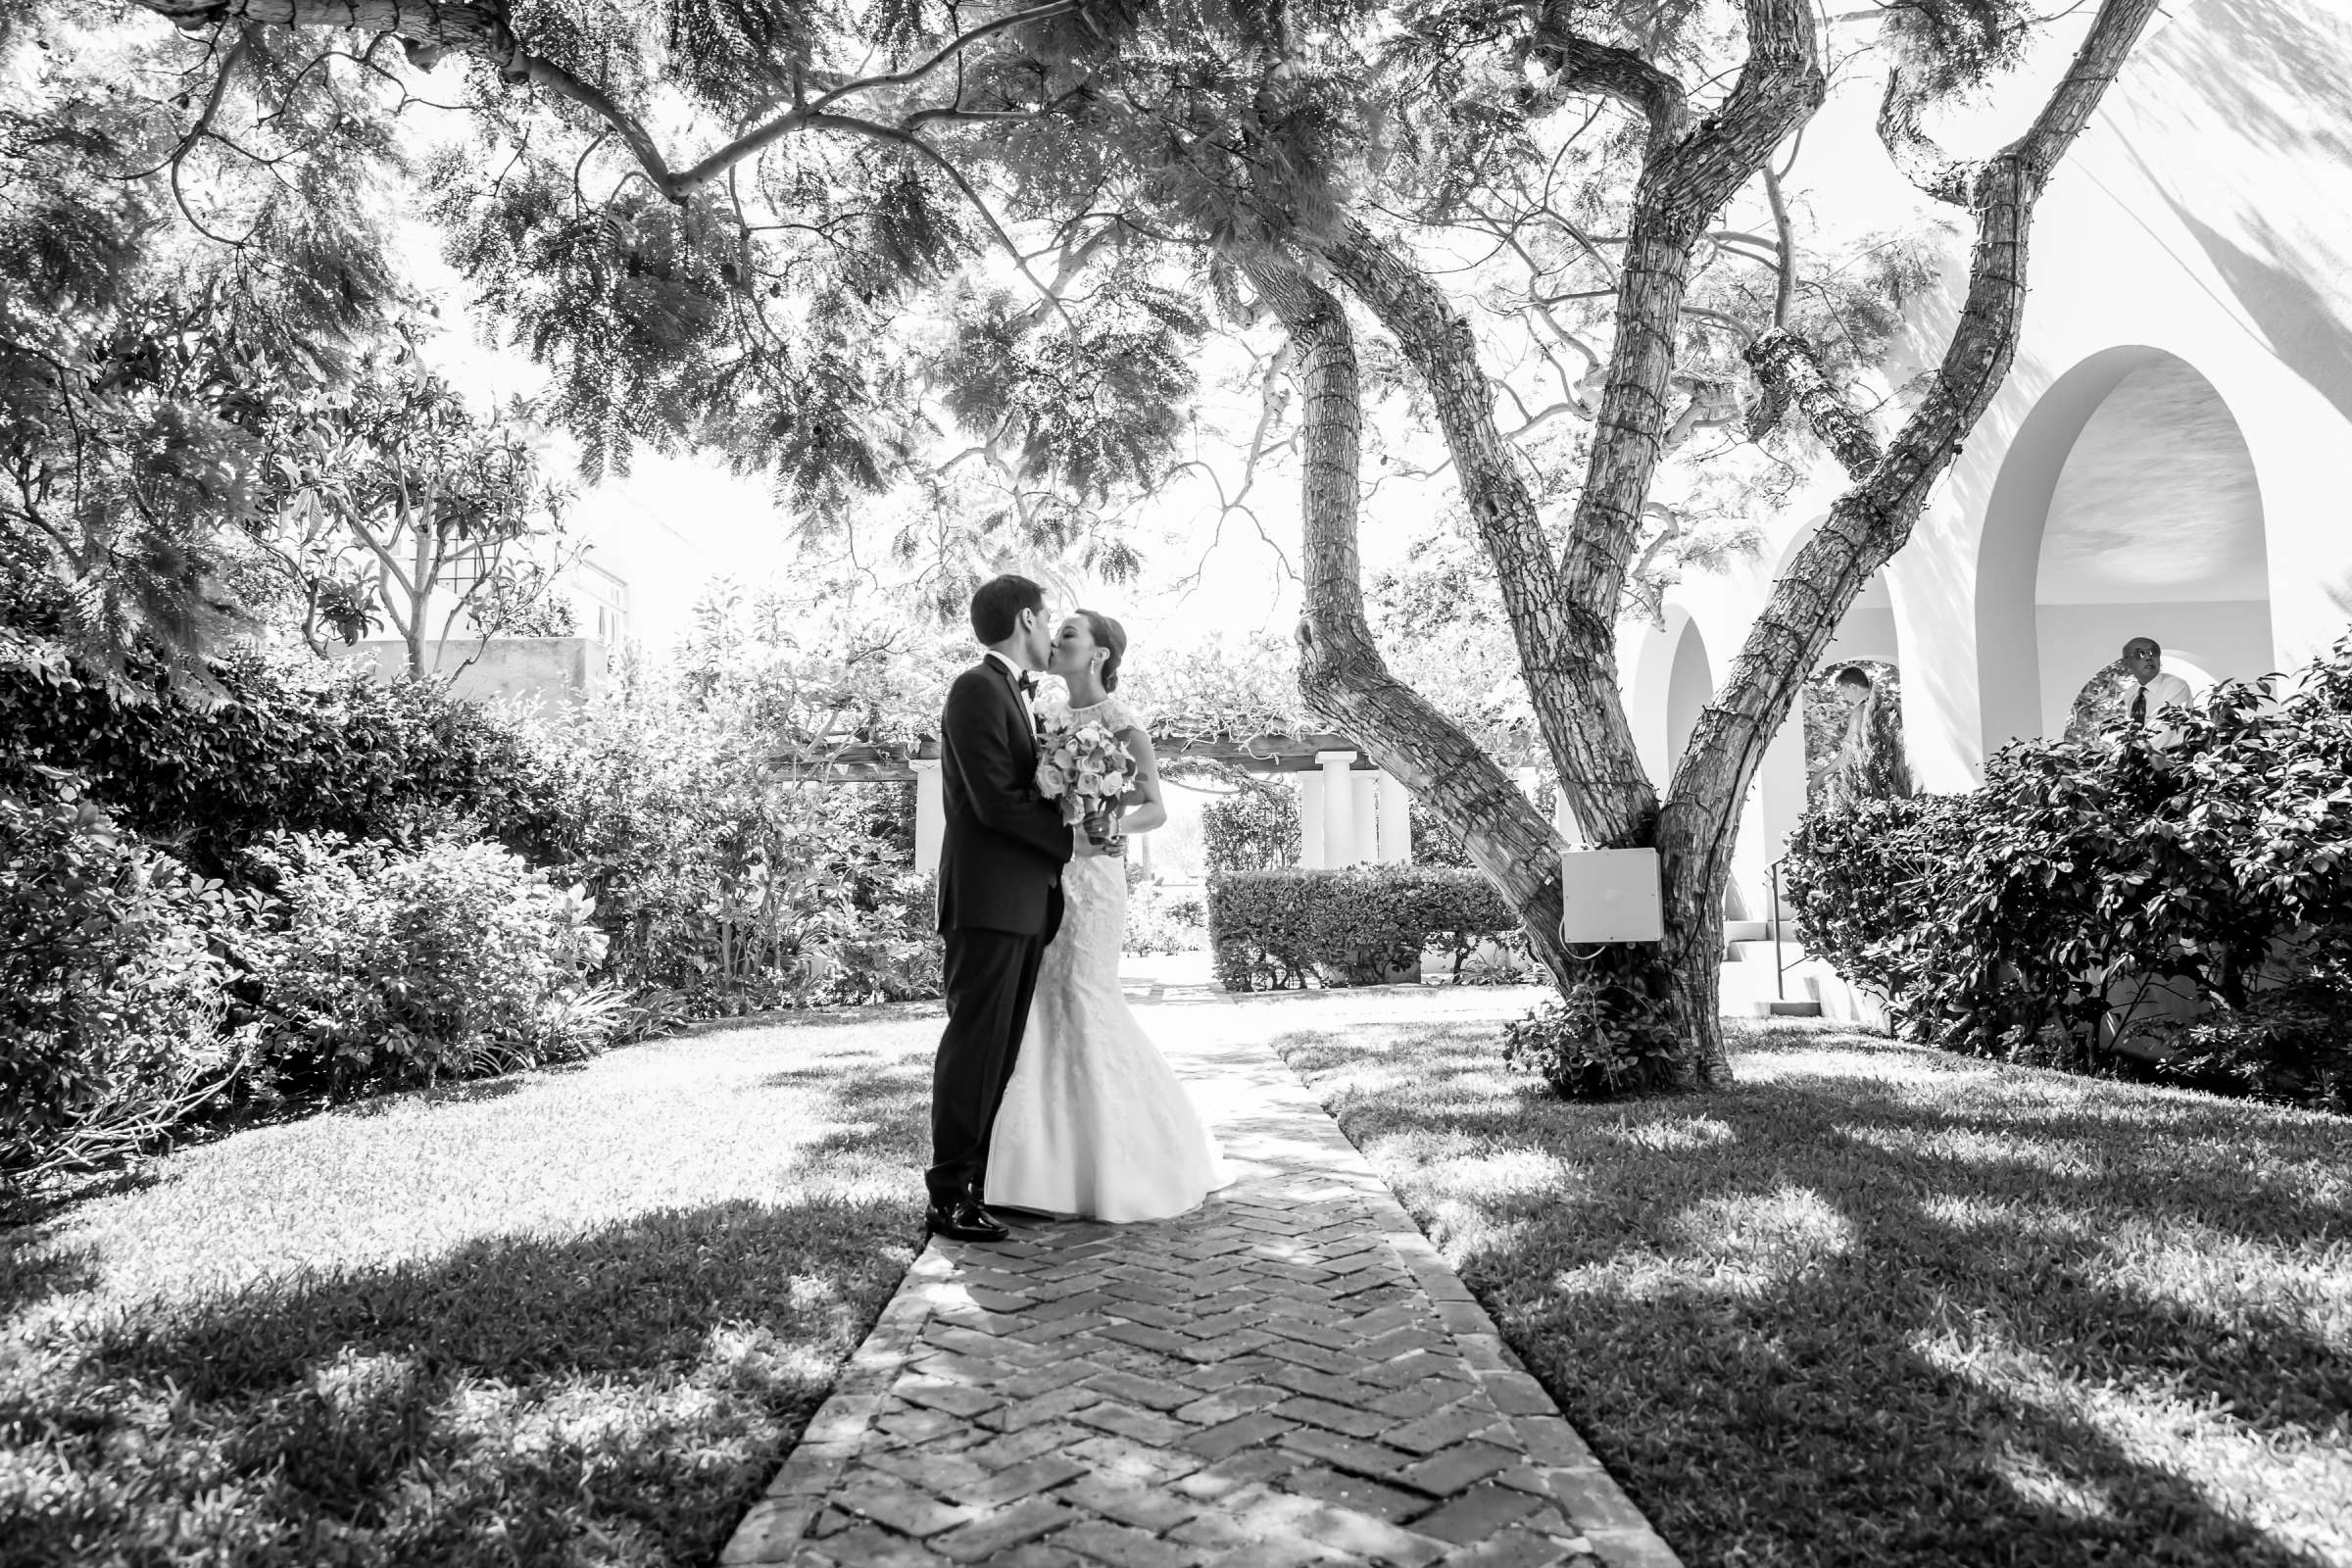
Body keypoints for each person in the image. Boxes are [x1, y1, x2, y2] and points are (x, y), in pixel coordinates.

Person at [985, 611, 1232, 1223]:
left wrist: (1110, 824)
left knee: (1085, 993)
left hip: (1095, 878)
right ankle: (1038, 1166)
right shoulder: (1039, 717)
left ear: (1097, 654)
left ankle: (1124, 1159)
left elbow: (1155, 808)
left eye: (1069, 634)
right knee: (1042, 998)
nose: (1056, 640)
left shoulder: (1123, 723)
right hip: (1042, 871)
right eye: (1057, 632)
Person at [926, 575, 1075, 1245]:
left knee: (999, 1053)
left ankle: (977, 1185)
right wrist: (1073, 834)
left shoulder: (1008, 694)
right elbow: (992, 800)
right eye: (1047, 620)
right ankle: (948, 1195)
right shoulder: (976, 688)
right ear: (1024, 619)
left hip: (1018, 901)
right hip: (987, 902)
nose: (1051, 632)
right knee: (975, 1049)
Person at [2120, 636, 2193, 730]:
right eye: (2140, 653)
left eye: (2154, 652)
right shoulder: (2130, 693)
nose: (2148, 657)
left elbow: (2166, 728)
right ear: (2126, 663)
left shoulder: (2175, 685)